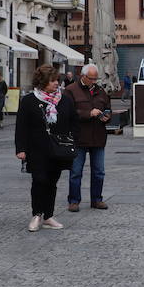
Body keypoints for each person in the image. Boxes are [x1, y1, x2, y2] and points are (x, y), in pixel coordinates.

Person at [15, 65, 78, 231]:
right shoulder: (29, 100)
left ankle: (48, 215)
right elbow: (21, 126)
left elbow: (74, 121)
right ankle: (37, 214)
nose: (57, 83)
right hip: (36, 149)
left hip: (58, 150)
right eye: (53, 80)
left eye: (57, 80)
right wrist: (20, 148)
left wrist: (72, 140)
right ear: (42, 82)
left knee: (52, 182)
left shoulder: (64, 100)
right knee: (39, 180)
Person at [64, 63, 111, 212]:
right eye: (91, 78)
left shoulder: (101, 91)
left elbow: (107, 107)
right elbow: (66, 113)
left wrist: (107, 116)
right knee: (76, 171)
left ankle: (97, 199)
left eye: (96, 78)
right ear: (83, 76)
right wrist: (87, 114)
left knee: (99, 171)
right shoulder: (70, 90)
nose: (94, 81)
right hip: (79, 137)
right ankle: (74, 201)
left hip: (98, 137)